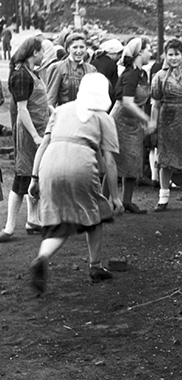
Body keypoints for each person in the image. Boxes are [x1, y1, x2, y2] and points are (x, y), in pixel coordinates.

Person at [27, 73, 123, 293]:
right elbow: (109, 160)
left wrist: (34, 178)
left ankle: (42, 257)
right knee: (96, 212)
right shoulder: (103, 117)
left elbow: (43, 145)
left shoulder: (61, 110)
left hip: (49, 162)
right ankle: (95, 266)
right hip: (80, 162)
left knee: (58, 221)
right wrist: (116, 198)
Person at [0, 35, 49, 243]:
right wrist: (36, 136)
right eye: (42, 51)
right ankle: (9, 227)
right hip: (29, 132)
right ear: (34, 53)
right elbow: (22, 110)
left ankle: (33, 221)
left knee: (36, 174)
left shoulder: (33, 73)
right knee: (23, 175)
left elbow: (41, 103)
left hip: (40, 128)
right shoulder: (21, 75)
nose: (44, 55)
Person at [149, 38, 182, 212]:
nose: (173, 58)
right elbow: (155, 103)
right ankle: (163, 198)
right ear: (165, 55)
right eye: (170, 54)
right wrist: (153, 124)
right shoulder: (160, 76)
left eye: (176, 54)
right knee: (165, 160)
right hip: (168, 120)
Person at [110, 37, 152, 214]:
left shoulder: (142, 73)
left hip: (133, 122)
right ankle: (106, 202)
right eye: (148, 49)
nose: (150, 53)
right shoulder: (130, 74)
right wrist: (147, 119)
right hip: (120, 120)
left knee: (133, 161)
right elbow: (126, 102)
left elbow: (139, 101)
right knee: (114, 161)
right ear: (139, 53)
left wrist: (141, 121)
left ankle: (126, 201)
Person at [46, 33, 97, 108]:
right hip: (64, 115)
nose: (79, 51)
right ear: (68, 49)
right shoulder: (58, 68)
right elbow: (51, 98)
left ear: (86, 49)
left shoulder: (91, 69)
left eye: (82, 47)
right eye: (75, 47)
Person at [91, 38, 124, 109]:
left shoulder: (94, 61)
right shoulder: (112, 64)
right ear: (114, 53)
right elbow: (114, 86)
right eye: (119, 55)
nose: (119, 58)